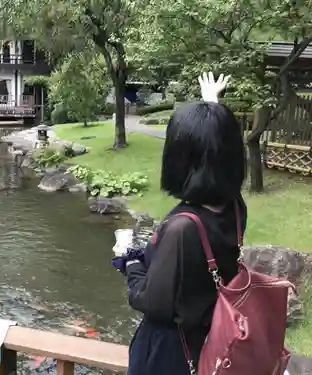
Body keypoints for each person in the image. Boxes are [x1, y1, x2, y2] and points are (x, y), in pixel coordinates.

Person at [112, 72, 247, 375]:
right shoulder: (235, 206)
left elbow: (151, 302)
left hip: (169, 353)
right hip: (210, 338)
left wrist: (129, 261)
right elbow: (215, 149)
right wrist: (211, 105)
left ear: (181, 159)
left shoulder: (182, 228)